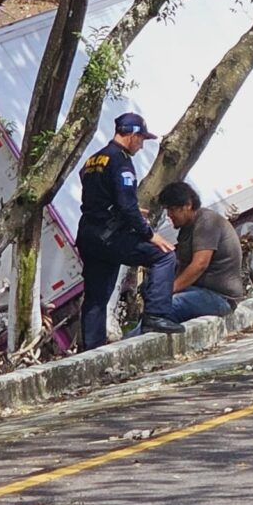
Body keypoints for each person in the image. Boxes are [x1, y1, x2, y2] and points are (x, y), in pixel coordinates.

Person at [74, 112, 175, 351]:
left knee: (97, 297)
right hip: (110, 237)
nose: (141, 146)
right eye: (141, 139)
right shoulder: (120, 161)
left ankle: (90, 353)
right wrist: (151, 235)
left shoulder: (94, 160)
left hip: (88, 235)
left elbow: (98, 195)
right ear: (131, 134)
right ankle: (157, 315)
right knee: (164, 256)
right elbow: (127, 205)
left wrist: (120, 209)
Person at [145, 182, 244, 332]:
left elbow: (200, 265)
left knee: (166, 307)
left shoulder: (207, 222)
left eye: (172, 210)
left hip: (220, 297)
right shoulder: (186, 228)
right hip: (198, 291)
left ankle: (129, 346)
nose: (169, 216)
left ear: (188, 205)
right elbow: (183, 265)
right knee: (155, 301)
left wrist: (169, 290)